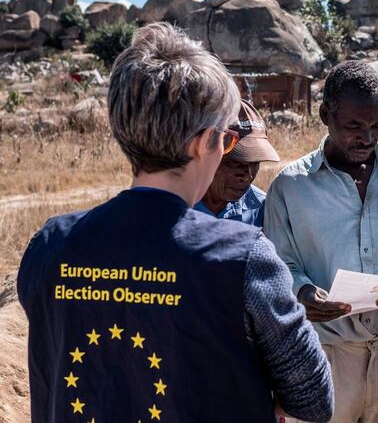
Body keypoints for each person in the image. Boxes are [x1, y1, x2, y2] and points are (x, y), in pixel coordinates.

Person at [16, 23, 333, 423]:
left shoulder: (49, 246)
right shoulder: (245, 257)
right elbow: (313, 398)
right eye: (228, 140)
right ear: (203, 143)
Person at [264, 60, 378, 423]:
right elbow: (279, 266)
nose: (367, 138)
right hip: (325, 354)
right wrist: (303, 293)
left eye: (377, 125)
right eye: (354, 126)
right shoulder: (290, 186)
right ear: (326, 114)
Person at [195, 99, 280, 227]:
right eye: (234, 163)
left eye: (254, 162)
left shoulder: (263, 210)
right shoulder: (174, 204)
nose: (247, 176)